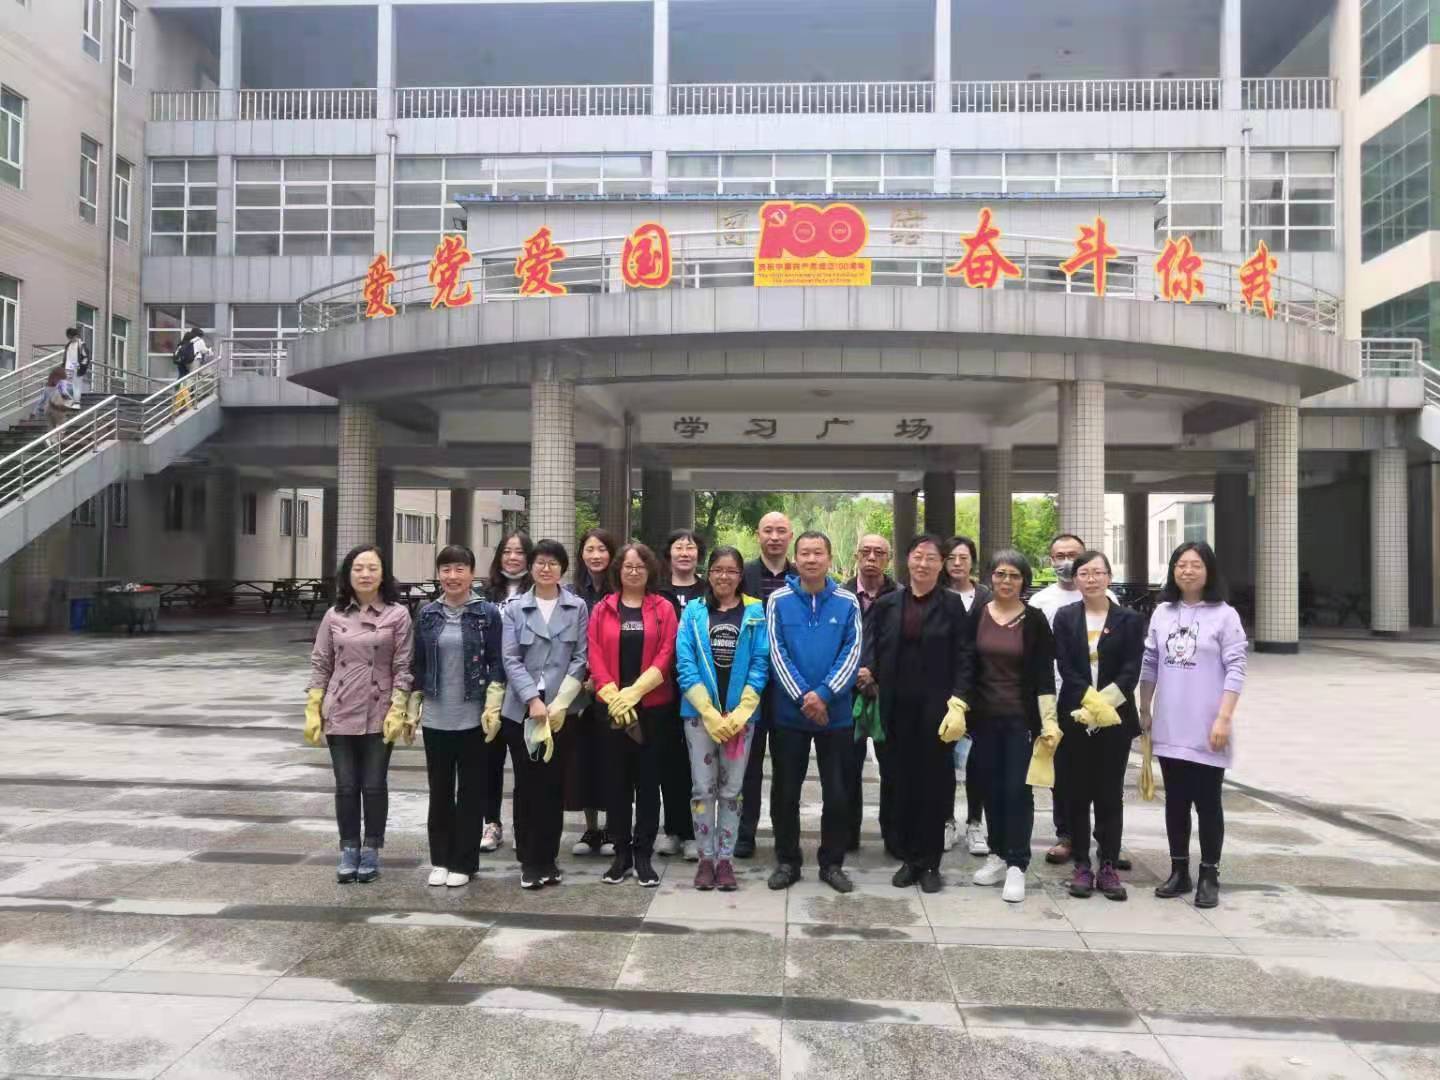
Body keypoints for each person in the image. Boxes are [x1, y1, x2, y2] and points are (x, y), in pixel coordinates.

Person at [859, 535, 974, 893]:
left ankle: (930, 863)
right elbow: (872, 647)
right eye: (918, 556)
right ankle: (909, 858)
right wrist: (869, 671)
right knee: (900, 782)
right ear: (907, 560)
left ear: (942, 565)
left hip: (937, 712)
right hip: (895, 708)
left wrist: (959, 700)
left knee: (934, 785)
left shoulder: (952, 605)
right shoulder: (888, 603)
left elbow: (965, 656)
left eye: (931, 558)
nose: (923, 564)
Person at [1140, 541, 1247, 910]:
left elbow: (1236, 668)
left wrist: (1224, 718)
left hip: (1207, 725)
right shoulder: (1162, 613)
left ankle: (1209, 874)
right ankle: (1179, 871)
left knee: (1208, 803)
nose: (1187, 571)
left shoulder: (1225, 615)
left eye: (1195, 565)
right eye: (1181, 564)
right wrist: (1144, 707)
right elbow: (1150, 662)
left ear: (1209, 571)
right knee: (1176, 801)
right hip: (1170, 722)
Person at [304, 545, 413, 884]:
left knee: (374, 784)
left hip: (380, 710)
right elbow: (321, 662)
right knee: (346, 785)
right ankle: (349, 847)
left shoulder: (398, 614)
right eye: (358, 568)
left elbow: (403, 664)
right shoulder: (334, 615)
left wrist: (399, 705)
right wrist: (313, 705)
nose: (365, 574)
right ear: (348, 574)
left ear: (383, 574)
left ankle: (372, 848)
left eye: (372, 568)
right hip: (340, 708)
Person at [765, 530, 863, 895]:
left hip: (835, 716)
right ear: (796, 559)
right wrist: (804, 698)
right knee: (785, 792)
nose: (811, 559)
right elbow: (776, 652)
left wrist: (823, 695)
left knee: (836, 792)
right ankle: (787, 861)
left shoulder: (847, 601)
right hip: (789, 716)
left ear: (829, 558)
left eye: (818, 553)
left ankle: (832, 863)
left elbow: (852, 652)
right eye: (804, 553)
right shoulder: (777, 600)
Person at [962, 550, 1057, 904]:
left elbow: (1044, 675)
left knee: (1018, 790)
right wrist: (959, 706)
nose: (1006, 581)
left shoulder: (1035, 620)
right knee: (989, 788)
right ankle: (998, 854)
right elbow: (966, 665)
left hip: (1021, 720)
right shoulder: (977, 615)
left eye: (1014, 575)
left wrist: (1048, 721)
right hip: (984, 719)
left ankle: (1017, 863)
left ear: (1024, 581)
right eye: (1000, 574)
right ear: (990, 577)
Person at [675, 546, 769, 891]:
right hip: (699, 716)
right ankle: (705, 858)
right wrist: (709, 712)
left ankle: (725, 860)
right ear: (708, 573)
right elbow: (685, 663)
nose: (724, 576)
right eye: (717, 570)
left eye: (731, 570)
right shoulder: (694, 612)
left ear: (740, 576)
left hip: (741, 718)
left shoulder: (755, 611)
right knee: (702, 788)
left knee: (732, 789)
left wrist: (742, 711)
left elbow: (760, 661)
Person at [410, 545, 503, 888]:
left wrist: (492, 705)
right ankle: (440, 859)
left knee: (470, 793)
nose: (453, 576)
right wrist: (410, 708)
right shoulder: (426, 613)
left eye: (460, 569)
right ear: (439, 574)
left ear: (472, 573)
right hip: (436, 717)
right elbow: (418, 664)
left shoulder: (487, 613)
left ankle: (465, 862)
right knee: (439, 792)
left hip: (474, 718)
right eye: (446, 569)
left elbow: (496, 662)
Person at [499, 539, 590, 889]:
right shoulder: (515, 608)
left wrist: (560, 703)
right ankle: (529, 859)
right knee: (527, 785)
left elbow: (580, 657)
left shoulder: (576, 607)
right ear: (531, 567)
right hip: (522, 710)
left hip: (561, 711)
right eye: (540, 562)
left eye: (553, 563)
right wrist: (532, 701)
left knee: (554, 785)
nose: (546, 568)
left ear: (563, 568)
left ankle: (549, 858)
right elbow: (510, 659)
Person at [1054, 550, 1144, 902]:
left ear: (1109, 576)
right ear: (1075, 579)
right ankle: (1081, 864)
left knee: (1109, 794)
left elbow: (1130, 669)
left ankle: (1108, 864)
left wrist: (1103, 706)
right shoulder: (1065, 617)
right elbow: (1066, 667)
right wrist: (1089, 705)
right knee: (1076, 792)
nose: (1091, 579)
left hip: (1116, 719)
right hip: (1075, 717)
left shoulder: (1129, 619)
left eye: (1097, 572)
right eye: (1084, 573)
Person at [587, 542, 678, 887]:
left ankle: (643, 854)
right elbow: (594, 654)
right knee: (617, 783)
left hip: (653, 708)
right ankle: (621, 853)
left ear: (650, 570)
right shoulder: (603, 609)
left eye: (640, 566)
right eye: (628, 566)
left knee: (649, 783)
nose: (634, 572)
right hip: (611, 709)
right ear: (618, 571)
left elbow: (667, 653)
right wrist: (614, 696)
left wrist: (635, 693)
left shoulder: (663, 608)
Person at [736, 510, 795, 858]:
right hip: (750, 686)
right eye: (768, 530)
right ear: (758, 535)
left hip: (789, 687)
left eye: (781, 531)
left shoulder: (801, 576)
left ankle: (784, 835)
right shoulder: (743, 575)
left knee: (787, 767)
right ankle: (745, 833)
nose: (774, 537)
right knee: (748, 766)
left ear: (790, 537)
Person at [1026, 532, 1086, 866]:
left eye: (1072, 555)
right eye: (1059, 556)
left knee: (1101, 773)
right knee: (1061, 771)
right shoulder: (1040, 602)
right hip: (1055, 697)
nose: (1066, 562)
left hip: (1097, 700)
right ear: (1050, 561)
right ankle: (1066, 835)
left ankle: (1108, 837)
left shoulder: (1106, 597)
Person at [478, 531, 534, 854]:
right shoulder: (485, 594)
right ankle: (491, 823)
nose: (513, 557)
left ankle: (524, 826)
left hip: (523, 689)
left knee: (525, 762)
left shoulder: (536, 592)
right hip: (489, 688)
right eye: (507, 551)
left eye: (519, 552)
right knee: (489, 761)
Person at [845, 533, 898, 855]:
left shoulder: (901, 596)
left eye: (879, 553)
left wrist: (875, 673)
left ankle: (893, 835)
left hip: (887, 694)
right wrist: (854, 672)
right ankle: (847, 835)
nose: (872, 558)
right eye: (866, 552)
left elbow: (903, 647)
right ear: (856, 555)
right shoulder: (840, 594)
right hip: (847, 692)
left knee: (892, 769)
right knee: (846, 768)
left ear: (888, 559)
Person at [567, 527, 617, 857]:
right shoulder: (572, 593)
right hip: (578, 689)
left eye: (602, 549)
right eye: (589, 549)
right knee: (582, 760)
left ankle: (614, 826)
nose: (596, 555)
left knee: (612, 759)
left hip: (613, 687)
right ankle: (590, 828)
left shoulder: (620, 592)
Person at [657, 529, 705, 861]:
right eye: (679, 547)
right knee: (670, 761)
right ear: (669, 554)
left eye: (691, 548)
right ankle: (673, 830)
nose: (685, 553)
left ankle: (694, 832)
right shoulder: (657, 590)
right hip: (664, 687)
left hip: (701, 688)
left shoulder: (708, 590)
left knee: (699, 764)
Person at [945, 535, 992, 857]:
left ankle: (975, 822)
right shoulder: (935, 595)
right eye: (951, 557)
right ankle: (946, 820)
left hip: (981, 690)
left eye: (963, 557)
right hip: (943, 689)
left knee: (978, 761)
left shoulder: (987, 597)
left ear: (972, 561)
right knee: (942, 760)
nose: (957, 563)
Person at [62, 326, 90, 397]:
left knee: (76, 386)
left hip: (77, 368)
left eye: (71, 337)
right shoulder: (68, 345)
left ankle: (76, 400)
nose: (70, 339)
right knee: (67, 386)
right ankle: (69, 399)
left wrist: (82, 367)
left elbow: (86, 358)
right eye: (69, 337)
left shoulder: (81, 345)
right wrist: (63, 366)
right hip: (68, 368)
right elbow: (66, 357)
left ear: (76, 336)